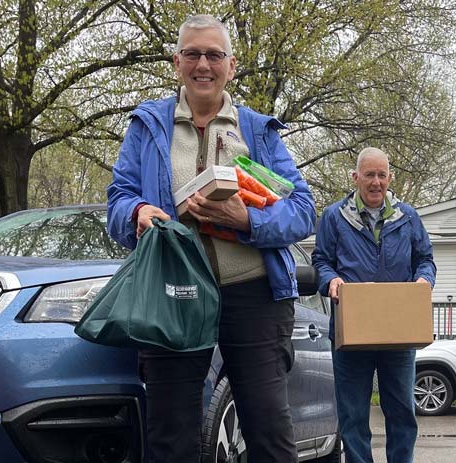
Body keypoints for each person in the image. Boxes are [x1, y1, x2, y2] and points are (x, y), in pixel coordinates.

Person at [106, 14, 316, 463]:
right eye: (193, 54)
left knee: (269, 432)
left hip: (254, 295)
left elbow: (302, 210)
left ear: (231, 65)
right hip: (172, 294)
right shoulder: (147, 126)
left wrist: (248, 220)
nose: (204, 64)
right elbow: (118, 201)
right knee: (170, 436)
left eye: (214, 55)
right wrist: (138, 212)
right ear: (177, 61)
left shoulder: (258, 130)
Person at [311, 147, 436, 463]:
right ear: (355, 178)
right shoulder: (334, 218)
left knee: (402, 414)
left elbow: (425, 260)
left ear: (390, 177)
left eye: (382, 175)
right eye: (369, 175)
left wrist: (424, 281)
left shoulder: (408, 217)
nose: (376, 182)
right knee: (352, 418)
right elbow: (321, 261)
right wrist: (331, 281)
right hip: (350, 332)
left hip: (399, 333)